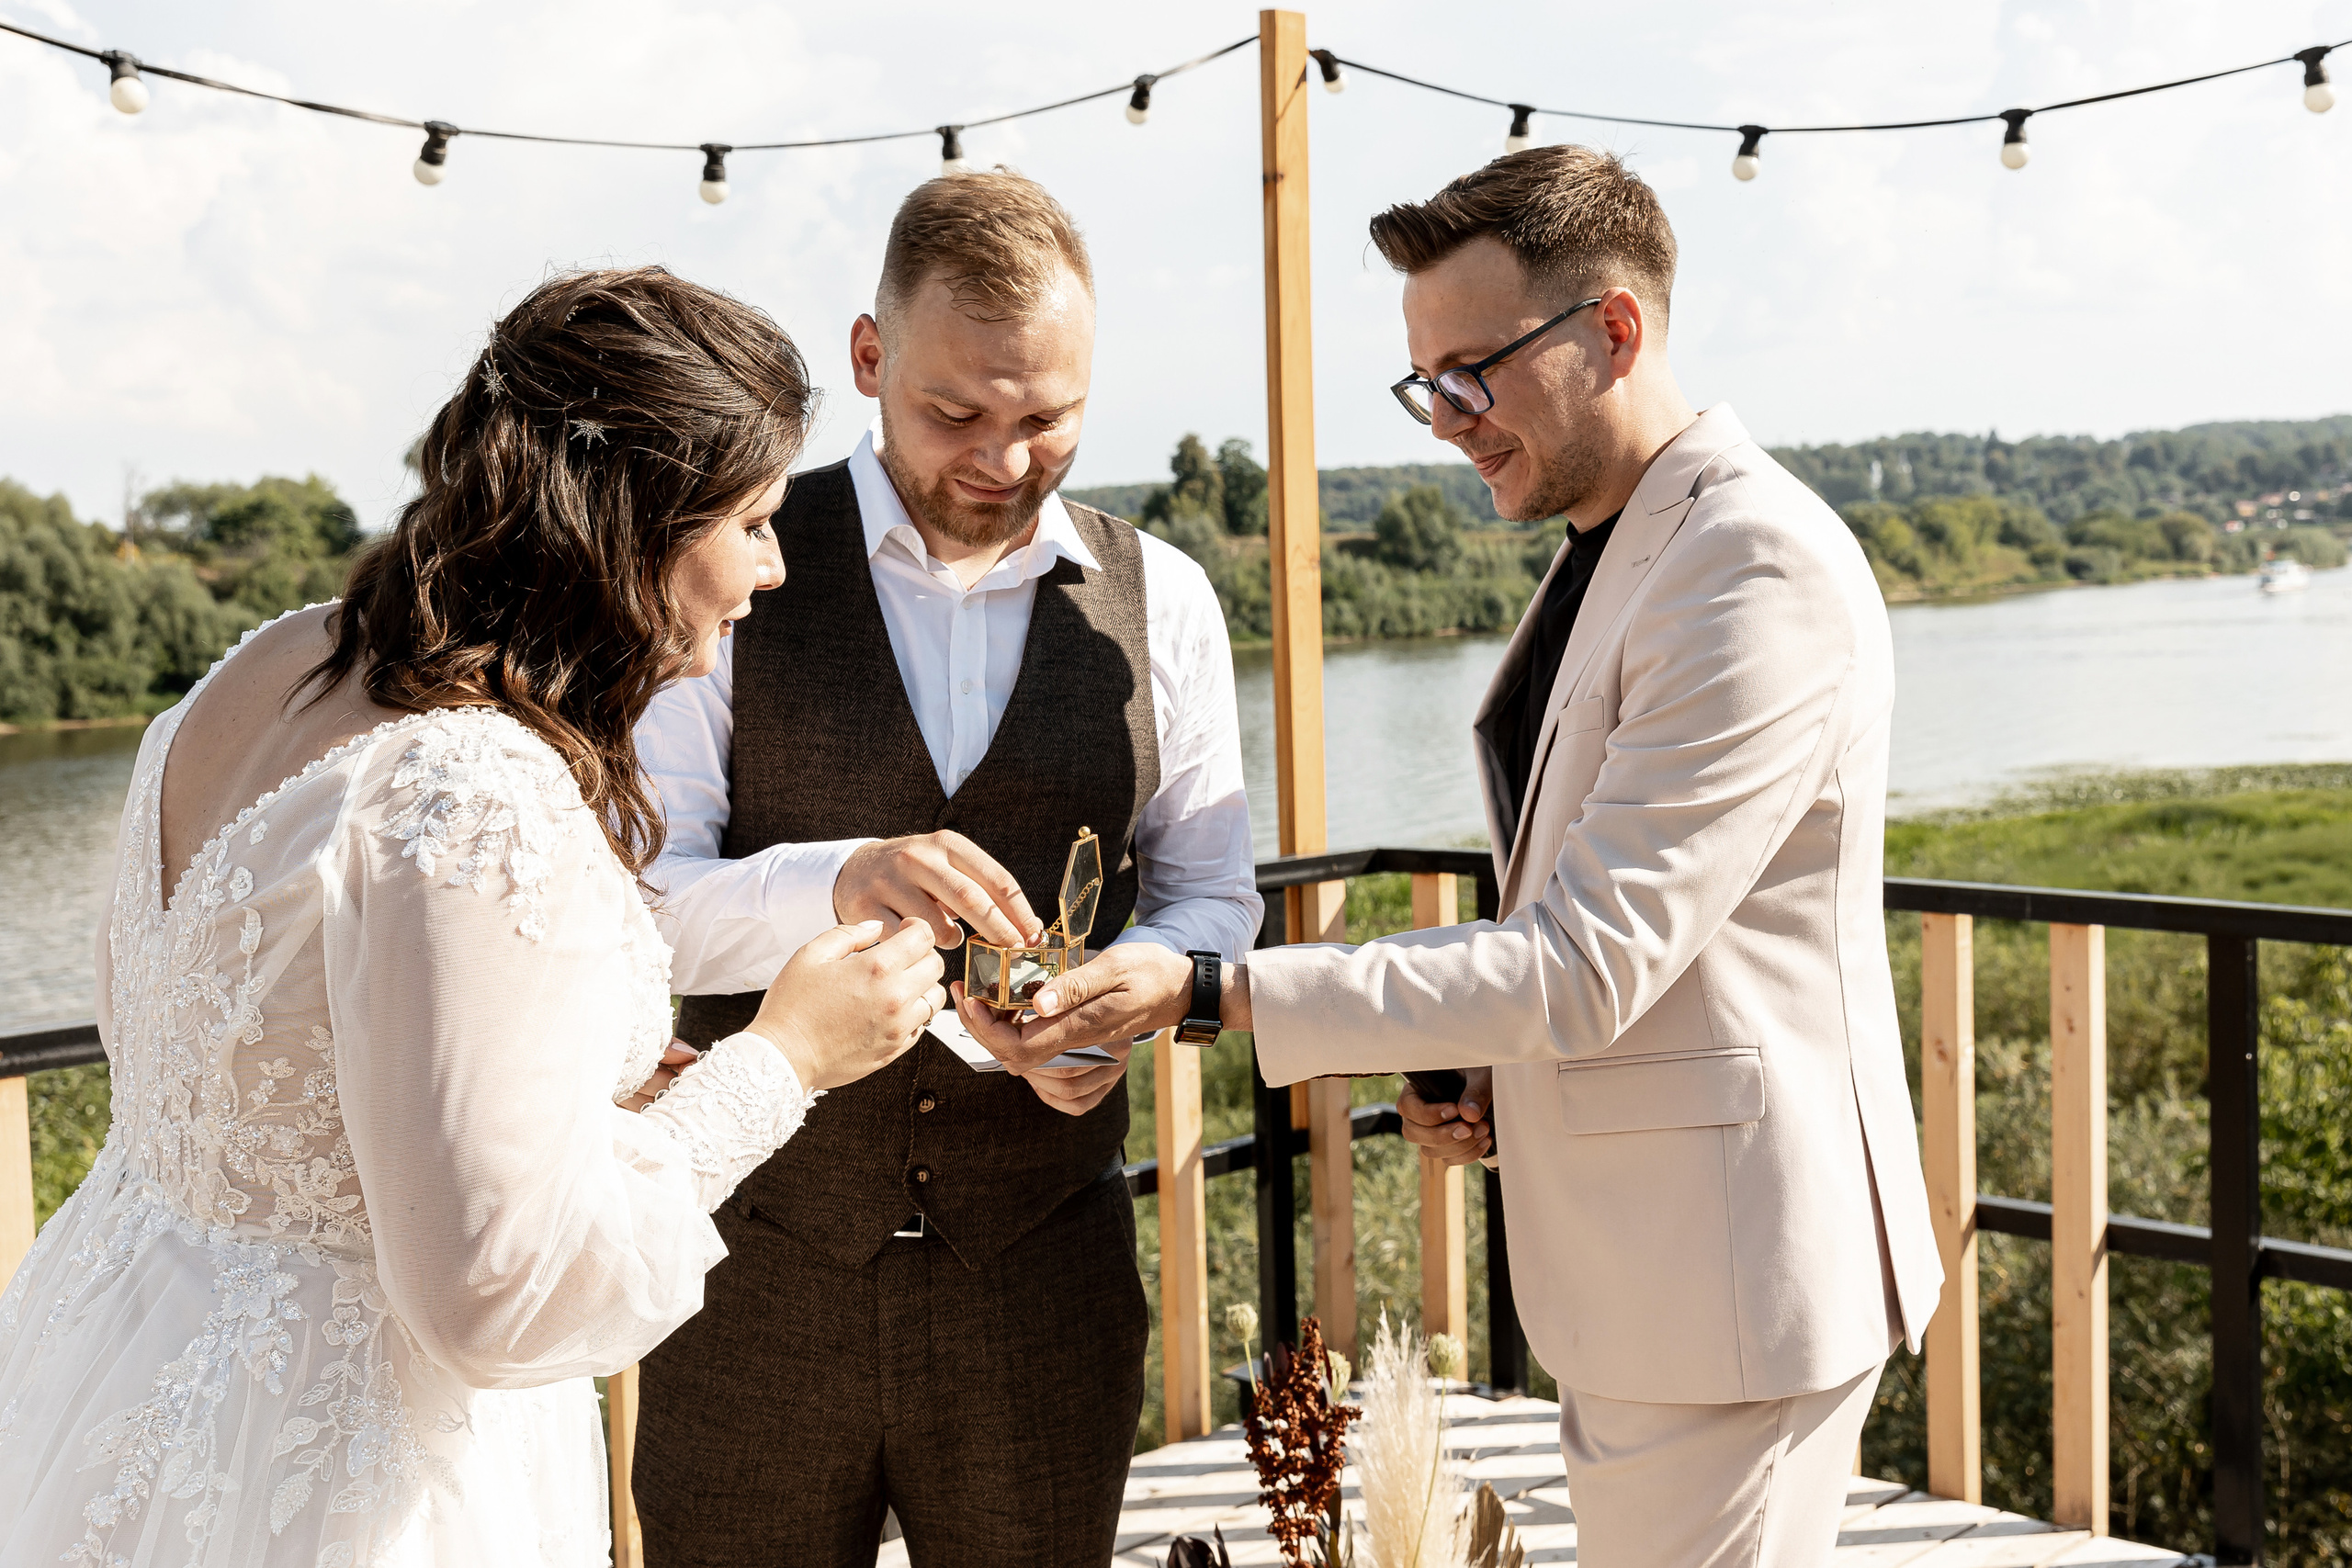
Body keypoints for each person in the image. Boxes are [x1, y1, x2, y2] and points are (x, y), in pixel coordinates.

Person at [996, 146, 1945, 1565]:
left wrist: (1213, 987)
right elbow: (1627, 933)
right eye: (1425, 382)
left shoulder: (1752, 565)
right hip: (1665, 1277)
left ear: (1614, 330)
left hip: (1732, 1288)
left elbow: (1585, 960)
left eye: (1472, 373)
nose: (1446, 420)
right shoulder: (1614, 542)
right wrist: (1496, 1064)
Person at [0, 267, 946, 1568]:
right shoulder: (477, 782)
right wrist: (783, 1062)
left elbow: (207, 1058)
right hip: (347, 1470)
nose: (775, 567)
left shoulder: (263, 665)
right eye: (757, 521)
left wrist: (558, 1106)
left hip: (116, 1363)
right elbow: (494, 1299)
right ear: (641, 524)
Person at [630, 170, 1261, 1567]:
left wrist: (1129, 1000)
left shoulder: (1167, 602)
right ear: (869, 357)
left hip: (1043, 1287)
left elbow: (1215, 892)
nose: (1002, 456)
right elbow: (645, 910)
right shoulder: (727, 564)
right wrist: (842, 877)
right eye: (953, 413)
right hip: (752, 1283)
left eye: (1048, 419)